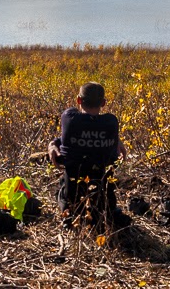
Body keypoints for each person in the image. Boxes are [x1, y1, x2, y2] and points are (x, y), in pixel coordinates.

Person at [47, 81, 131, 228]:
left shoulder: (69, 118)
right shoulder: (111, 122)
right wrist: (115, 138)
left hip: (75, 203)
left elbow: (70, 136)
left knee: (63, 185)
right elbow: (94, 130)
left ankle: (67, 212)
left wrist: (53, 143)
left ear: (79, 100)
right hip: (105, 204)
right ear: (103, 103)